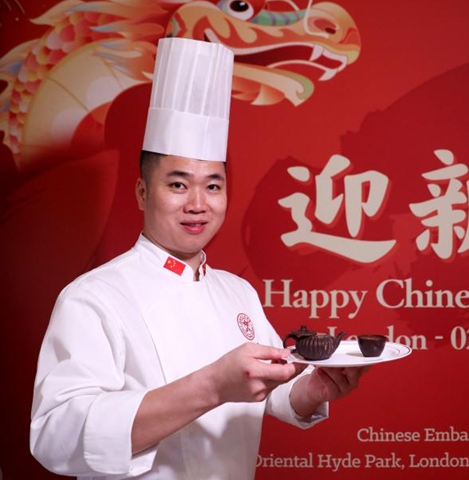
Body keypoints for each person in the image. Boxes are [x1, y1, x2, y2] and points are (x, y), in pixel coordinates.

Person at [29, 37, 369, 479]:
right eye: (177, 184)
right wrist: (210, 385)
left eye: (212, 185)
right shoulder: (92, 298)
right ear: (142, 191)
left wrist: (313, 388)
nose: (197, 203)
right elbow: (55, 436)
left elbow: (271, 392)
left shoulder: (237, 292)